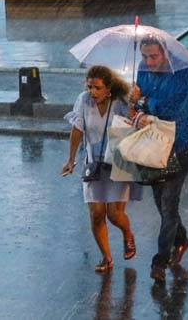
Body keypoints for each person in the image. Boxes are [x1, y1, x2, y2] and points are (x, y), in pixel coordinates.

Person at [61, 65, 143, 273]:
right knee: (97, 214)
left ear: (109, 89)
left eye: (97, 88)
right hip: (93, 163)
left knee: (115, 215)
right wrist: (71, 160)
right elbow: (77, 129)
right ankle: (107, 258)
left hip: (119, 162)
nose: (92, 92)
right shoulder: (83, 100)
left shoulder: (121, 102)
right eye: (89, 86)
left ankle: (127, 234)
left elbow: (136, 124)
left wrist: (134, 104)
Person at [128, 35, 188, 283]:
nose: (149, 61)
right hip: (154, 144)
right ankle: (181, 239)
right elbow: (138, 106)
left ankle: (160, 260)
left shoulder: (183, 73)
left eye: (154, 56)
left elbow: (174, 109)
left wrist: (145, 102)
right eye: (145, 56)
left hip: (180, 145)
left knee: (169, 203)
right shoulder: (143, 70)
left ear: (165, 52)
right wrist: (135, 104)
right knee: (160, 202)